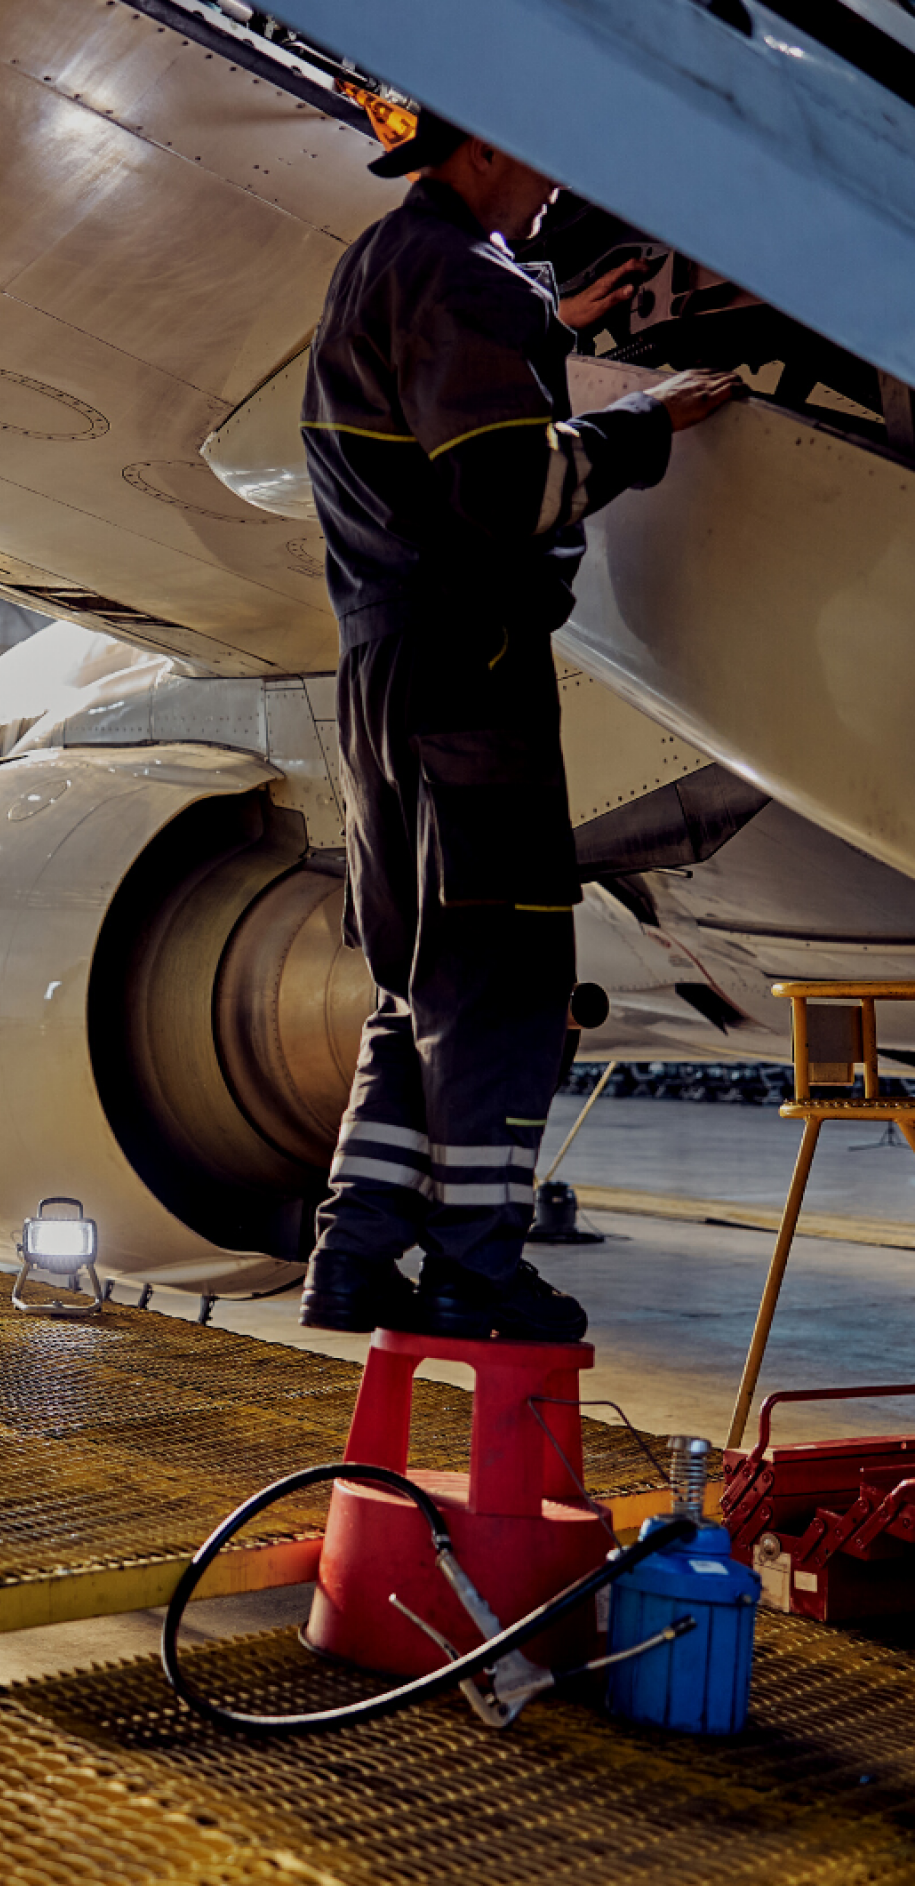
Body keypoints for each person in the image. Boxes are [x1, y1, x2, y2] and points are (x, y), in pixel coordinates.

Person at [295, 114, 739, 1341]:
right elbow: (499, 487)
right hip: (472, 666)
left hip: (383, 668)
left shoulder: (383, 261)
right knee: (504, 982)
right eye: (541, 154)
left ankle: (356, 1255)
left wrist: (547, 324)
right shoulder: (463, 276)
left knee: (418, 982)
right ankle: (481, 1270)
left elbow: (421, 413)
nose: (557, 183)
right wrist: (648, 419)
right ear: (481, 148)